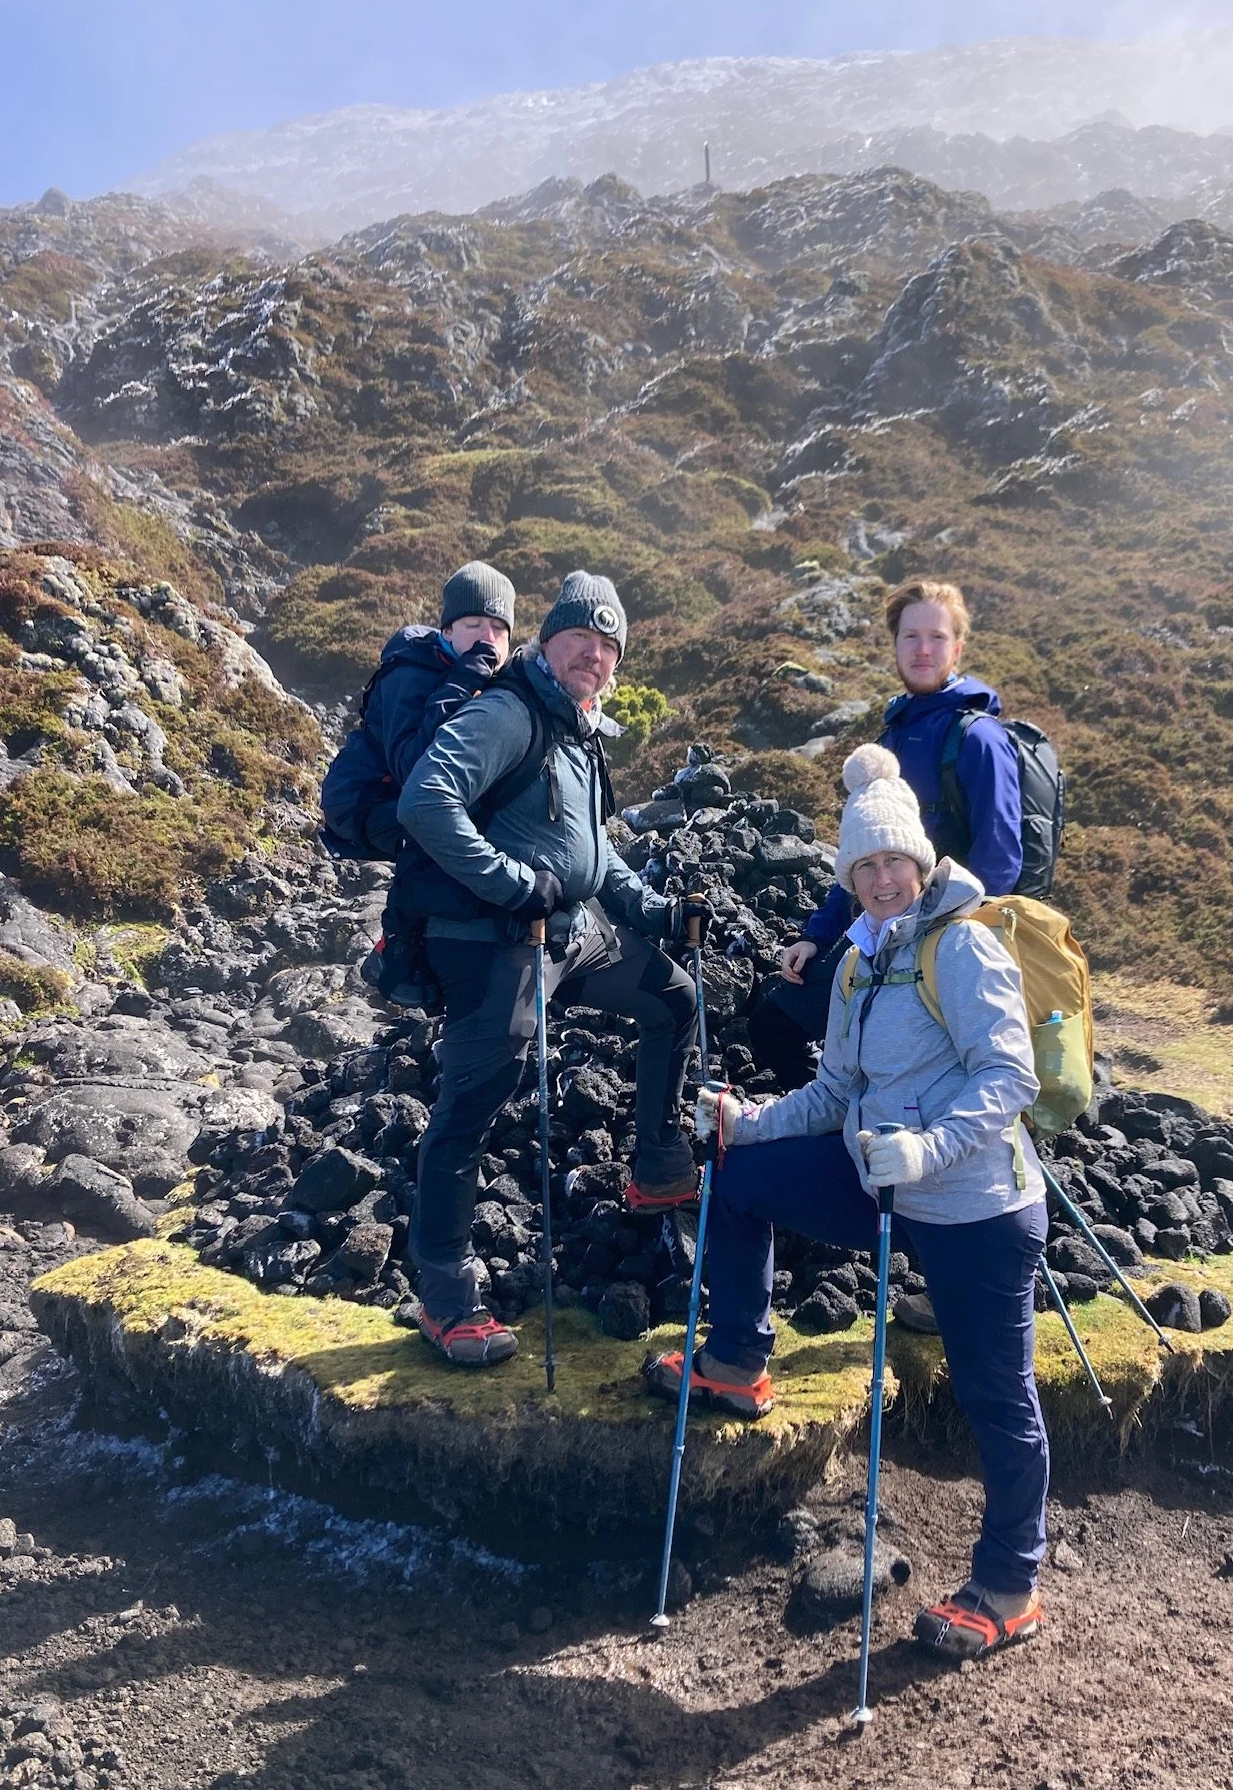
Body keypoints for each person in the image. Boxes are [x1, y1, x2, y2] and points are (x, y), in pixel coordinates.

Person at [649, 743, 1050, 1659]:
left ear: (922, 863)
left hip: (978, 1206)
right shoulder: (857, 963)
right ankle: (736, 1360)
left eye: (893, 861)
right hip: (882, 1185)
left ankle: (1008, 1583)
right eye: (863, 866)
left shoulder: (964, 946)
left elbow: (1008, 1078)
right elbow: (836, 1090)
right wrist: (749, 1123)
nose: (880, 880)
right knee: (735, 1182)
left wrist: (927, 1148)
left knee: (997, 1394)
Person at [395, 571, 702, 1367]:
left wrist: (658, 912)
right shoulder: (509, 712)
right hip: (493, 940)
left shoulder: (581, 730)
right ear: (546, 640)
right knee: (471, 1106)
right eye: (580, 639)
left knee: (672, 997)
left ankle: (659, 1168)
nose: (593, 655)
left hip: (568, 933)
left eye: (608, 646)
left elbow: (595, 854)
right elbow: (426, 801)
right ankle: (445, 1296)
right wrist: (511, 883)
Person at [748, 578, 1024, 1092]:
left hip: (944, 947)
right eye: (911, 636)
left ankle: (858, 1123)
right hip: (881, 933)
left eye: (937, 637)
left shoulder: (979, 739)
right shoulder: (893, 738)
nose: (923, 649)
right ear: (894, 644)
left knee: (794, 1034)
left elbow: (1000, 862)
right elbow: (863, 857)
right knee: (774, 1025)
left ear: (957, 648)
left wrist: (939, 945)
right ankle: (846, 1122)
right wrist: (816, 937)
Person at [321, 560, 518, 862]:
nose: (488, 638)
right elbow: (412, 767)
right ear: (448, 630)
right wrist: (462, 683)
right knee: (462, 835)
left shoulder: (497, 679)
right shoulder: (410, 673)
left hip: (429, 796)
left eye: (499, 628)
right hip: (367, 800)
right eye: (474, 625)